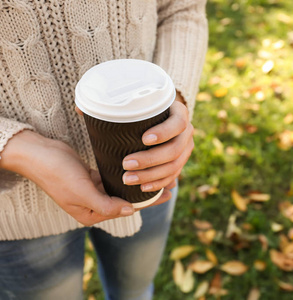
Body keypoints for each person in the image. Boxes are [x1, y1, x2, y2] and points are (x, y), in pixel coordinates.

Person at [0, 0, 208, 299]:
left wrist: (174, 98)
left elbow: (181, 8)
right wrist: (18, 149)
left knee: (135, 293)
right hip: (20, 210)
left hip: (145, 177)